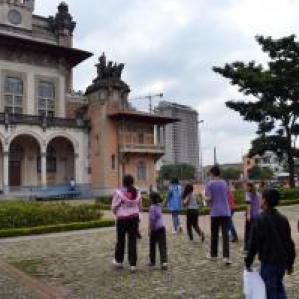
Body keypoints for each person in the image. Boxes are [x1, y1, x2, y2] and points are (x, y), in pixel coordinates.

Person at [245, 189, 296, 299]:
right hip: (281, 261)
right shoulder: (283, 218)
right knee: (278, 287)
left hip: (269, 262)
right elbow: (289, 243)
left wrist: (248, 262)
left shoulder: (260, 219)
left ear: (265, 200)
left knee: (271, 291)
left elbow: (253, 244)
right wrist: (290, 262)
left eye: (261, 198)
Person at [111, 175, 142, 272]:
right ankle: (133, 264)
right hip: (134, 218)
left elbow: (114, 207)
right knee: (132, 240)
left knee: (121, 240)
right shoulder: (137, 192)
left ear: (123, 182)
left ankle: (119, 261)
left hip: (122, 219)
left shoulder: (119, 192)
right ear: (133, 181)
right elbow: (140, 206)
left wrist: (117, 211)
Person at [205, 166, 231, 265]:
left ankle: (214, 255)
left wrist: (204, 198)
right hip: (226, 211)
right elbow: (227, 194)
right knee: (225, 235)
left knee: (214, 234)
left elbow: (209, 198)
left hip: (215, 212)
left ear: (212, 173)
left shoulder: (210, 184)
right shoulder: (224, 183)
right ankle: (226, 257)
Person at [148, 192, 168, 270]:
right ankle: (164, 262)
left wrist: (150, 229)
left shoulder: (152, 207)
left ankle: (152, 261)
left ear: (152, 199)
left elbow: (152, 220)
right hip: (162, 227)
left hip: (155, 229)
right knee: (162, 246)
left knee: (152, 245)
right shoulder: (159, 205)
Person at [244, 182, 260, 252]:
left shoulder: (248, 194)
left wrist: (248, 214)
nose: (244, 188)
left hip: (251, 216)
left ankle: (247, 247)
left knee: (248, 232)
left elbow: (248, 204)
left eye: (246, 186)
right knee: (256, 232)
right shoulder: (257, 194)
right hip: (257, 215)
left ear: (249, 187)